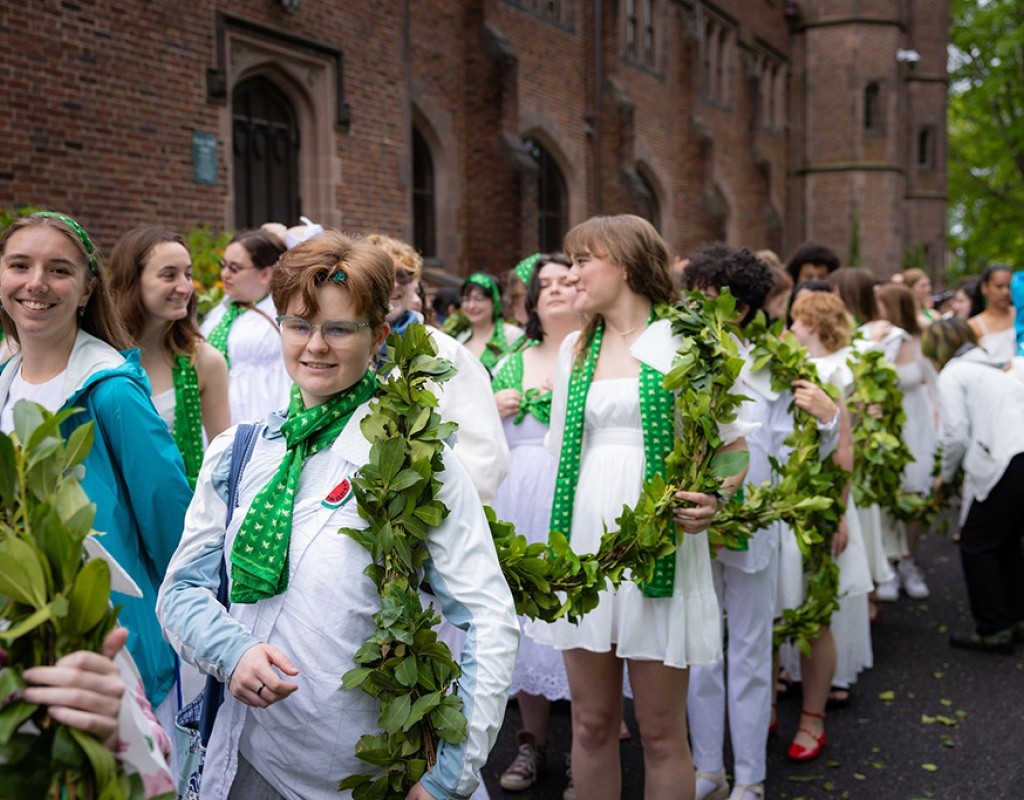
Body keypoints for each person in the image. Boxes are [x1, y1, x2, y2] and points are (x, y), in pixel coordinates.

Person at [157, 231, 519, 800]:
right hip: (250, 760)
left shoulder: (416, 463)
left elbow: (489, 618)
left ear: (377, 335)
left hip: (367, 772)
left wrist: (447, 778)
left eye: (338, 329)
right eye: (300, 325)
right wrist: (233, 651)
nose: (315, 346)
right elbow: (180, 591)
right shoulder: (240, 451)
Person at [527, 215, 750, 800]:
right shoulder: (576, 348)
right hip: (584, 539)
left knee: (658, 731)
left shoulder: (688, 341)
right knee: (593, 722)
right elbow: (559, 454)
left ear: (624, 264)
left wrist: (715, 497)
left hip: (663, 545)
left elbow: (733, 447)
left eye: (582, 261)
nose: (570, 274)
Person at [0, 212, 193, 728]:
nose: (36, 283)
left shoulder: (111, 390)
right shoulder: (3, 380)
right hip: (19, 637)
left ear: (87, 290)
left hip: (109, 645)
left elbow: (172, 526)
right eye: (20, 265)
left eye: (59, 270)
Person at [683, 245, 843, 800]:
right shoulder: (682, 360)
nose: (694, 307)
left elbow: (803, 454)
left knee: (751, 651)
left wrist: (829, 423)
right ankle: (707, 769)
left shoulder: (775, 368)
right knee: (701, 651)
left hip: (753, 521)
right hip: (694, 520)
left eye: (707, 298)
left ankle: (749, 777)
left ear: (741, 309)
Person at [491, 253, 578, 794]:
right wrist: (492, 407)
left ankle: (584, 749)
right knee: (527, 620)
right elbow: (476, 440)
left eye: (564, 282)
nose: (552, 291)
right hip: (517, 502)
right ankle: (532, 744)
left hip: (573, 497)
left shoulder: (597, 355)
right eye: (541, 284)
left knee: (578, 618)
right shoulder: (511, 360)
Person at [783, 291, 874, 761]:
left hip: (819, 501)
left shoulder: (832, 373)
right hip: (781, 504)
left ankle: (813, 718)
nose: (790, 326)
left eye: (797, 319)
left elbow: (845, 448)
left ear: (812, 322)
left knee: (816, 610)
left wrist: (838, 510)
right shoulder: (784, 366)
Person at [363, 232, 509, 504]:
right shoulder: (345, 351)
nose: (394, 283)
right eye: (381, 273)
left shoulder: (442, 352)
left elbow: (481, 453)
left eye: (404, 275)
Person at [922, 318, 1024, 653]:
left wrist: (944, 478)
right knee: (1006, 541)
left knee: (976, 544)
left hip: (1005, 461)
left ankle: (992, 628)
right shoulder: (992, 366)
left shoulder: (954, 372)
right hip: (1018, 455)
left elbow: (956, 433)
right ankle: (1015, 617)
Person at [109, 227, 230, 487]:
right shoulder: (101, 355)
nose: (185, 287)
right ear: (132, 280)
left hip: (177, 509)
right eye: (169, 275)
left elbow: (224, 460)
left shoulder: (204, 361)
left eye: (188, 274)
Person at [874, 284, 939, 601]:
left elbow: (938, 390)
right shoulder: (877, 341)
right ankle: (886, 564)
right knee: (885, 496)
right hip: (885, 431)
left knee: (912, 498)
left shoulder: (922, 342)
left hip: (916, 429)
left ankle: (909, 563)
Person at [199, 230, 291, 423]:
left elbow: (314, 238)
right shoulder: (221, 311)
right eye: (223, 265)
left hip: (259, 420)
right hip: (215, 423)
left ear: (266, 274)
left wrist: (283, 235)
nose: (225, 274)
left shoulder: (284, 313)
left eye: (234, 268)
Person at [457, 272, 524, 371]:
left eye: (479, 299)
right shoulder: (461, 338)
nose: (471, 305)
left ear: (494, 301)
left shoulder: (513, 335)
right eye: (466, 298)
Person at [968, 264, 1017, 363]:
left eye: (1009, 286)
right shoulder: (974, 326)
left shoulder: (1020, 315)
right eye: (999, 286)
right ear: (984, 287)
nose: (1006, 292)